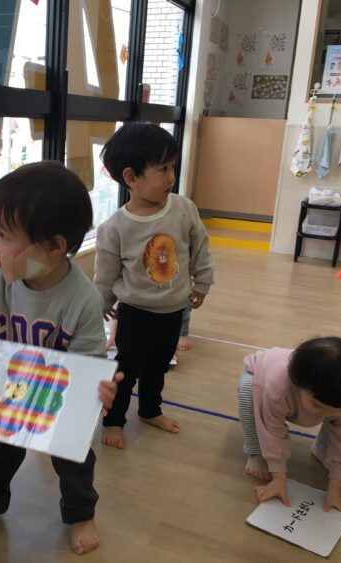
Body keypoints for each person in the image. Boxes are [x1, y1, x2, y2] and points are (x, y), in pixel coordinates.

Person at [0, 161, 120, 555]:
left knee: (74, 458)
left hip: (58, 394)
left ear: (53, 247)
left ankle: (80, 513)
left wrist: (97, 388)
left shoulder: (82, 300)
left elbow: (89, 359)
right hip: (6, 389)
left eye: (4, 235)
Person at [94, 122, 214, 449]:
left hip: (173, 310)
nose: (171, 176)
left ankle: (150, 410)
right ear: (131, 177)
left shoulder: (183, 208)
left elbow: (200, 247)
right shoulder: (115, 227)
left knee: (158, 367)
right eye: (162, 169)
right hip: (135, 312)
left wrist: (203, 281)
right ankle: (113, 420)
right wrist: (101, 304)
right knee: (126, 369)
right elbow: (105, 273)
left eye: (172, 167)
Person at [237, 337, 341, 518]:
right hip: (258, 378)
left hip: (307, 388)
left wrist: (336, 491)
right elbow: (272, 431)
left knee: (337, 420)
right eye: (318, 406)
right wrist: (278, 479)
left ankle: (321, 447)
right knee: (249, 395)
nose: (328, 413)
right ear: (298, 384)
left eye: (339, 409)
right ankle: (254, 452)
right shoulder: (278, 387)